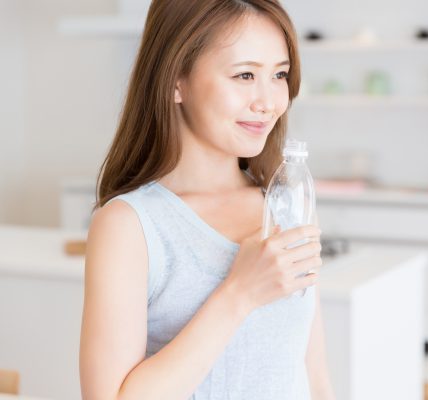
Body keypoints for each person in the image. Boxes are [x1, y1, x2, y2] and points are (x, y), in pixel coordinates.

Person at [79, 1, 336, 399]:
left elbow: (311, 373)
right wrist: (239, 293)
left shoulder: (284, 203)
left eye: (280, 74)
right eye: (245, 74)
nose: (268, 101)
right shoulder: (128, 224)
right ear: (175, 81)